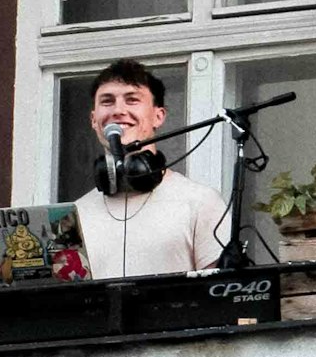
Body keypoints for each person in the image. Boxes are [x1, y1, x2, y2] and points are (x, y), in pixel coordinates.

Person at [71, 59, 229, 278]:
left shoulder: (201, 201)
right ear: (93, 120)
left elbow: (222, 295)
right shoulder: (75, 215)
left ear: (158, 116)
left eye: (132, 100)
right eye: (107, 102)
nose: (118, 110)